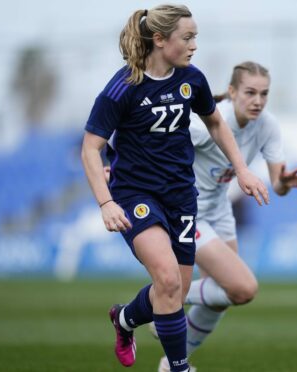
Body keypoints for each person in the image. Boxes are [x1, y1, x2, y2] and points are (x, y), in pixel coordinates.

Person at [81, 5, 268, 372]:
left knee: (175, 293)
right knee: (166, 278)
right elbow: (90, 147)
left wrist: (242, 169)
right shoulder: (123, 87)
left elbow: (215, 122)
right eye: (188, 37)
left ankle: (124, 320)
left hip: (181, 197)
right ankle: (179, 368)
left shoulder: (191, 80)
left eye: (195, 36)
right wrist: (105, 202)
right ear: (160, 39)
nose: (194, 44)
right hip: (135, 196)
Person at [156, 61, 297, 372]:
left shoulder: (267, 126)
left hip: (220, 211)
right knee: (242, 288)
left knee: (223, 297)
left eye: (264, 94)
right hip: (187, 214)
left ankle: (171, 363)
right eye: (250, 92)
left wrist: (284, 183)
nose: (258, 101)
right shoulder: (207, 122)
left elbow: (277, 184)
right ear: (231, 92)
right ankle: (163, 300)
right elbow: (157, 148)